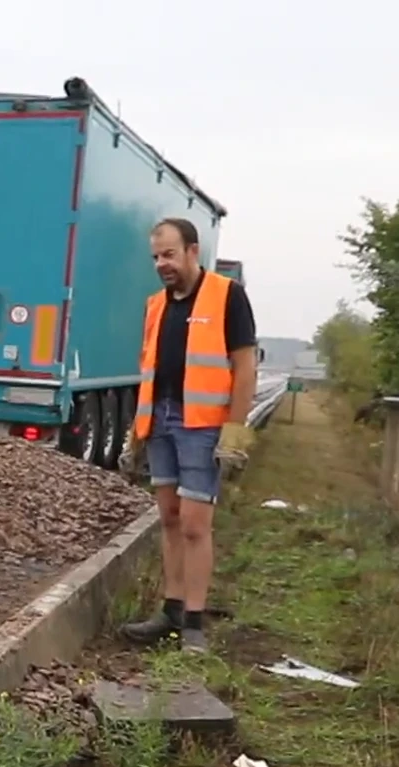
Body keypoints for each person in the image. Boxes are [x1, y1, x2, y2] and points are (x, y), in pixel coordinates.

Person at [117, 218, 258, 653]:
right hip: (160, 421)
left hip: (202, 425)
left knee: (197, 524)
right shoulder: (155, 305)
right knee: (170, 518)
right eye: (156, 257)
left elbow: (245, 366)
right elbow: (149, 369)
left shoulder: (227, 296)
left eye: (170, 255)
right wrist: (136, 431)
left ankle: (194, 623)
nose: (162, 264)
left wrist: (234, 429)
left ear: (193, 251)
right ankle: (172, 610)